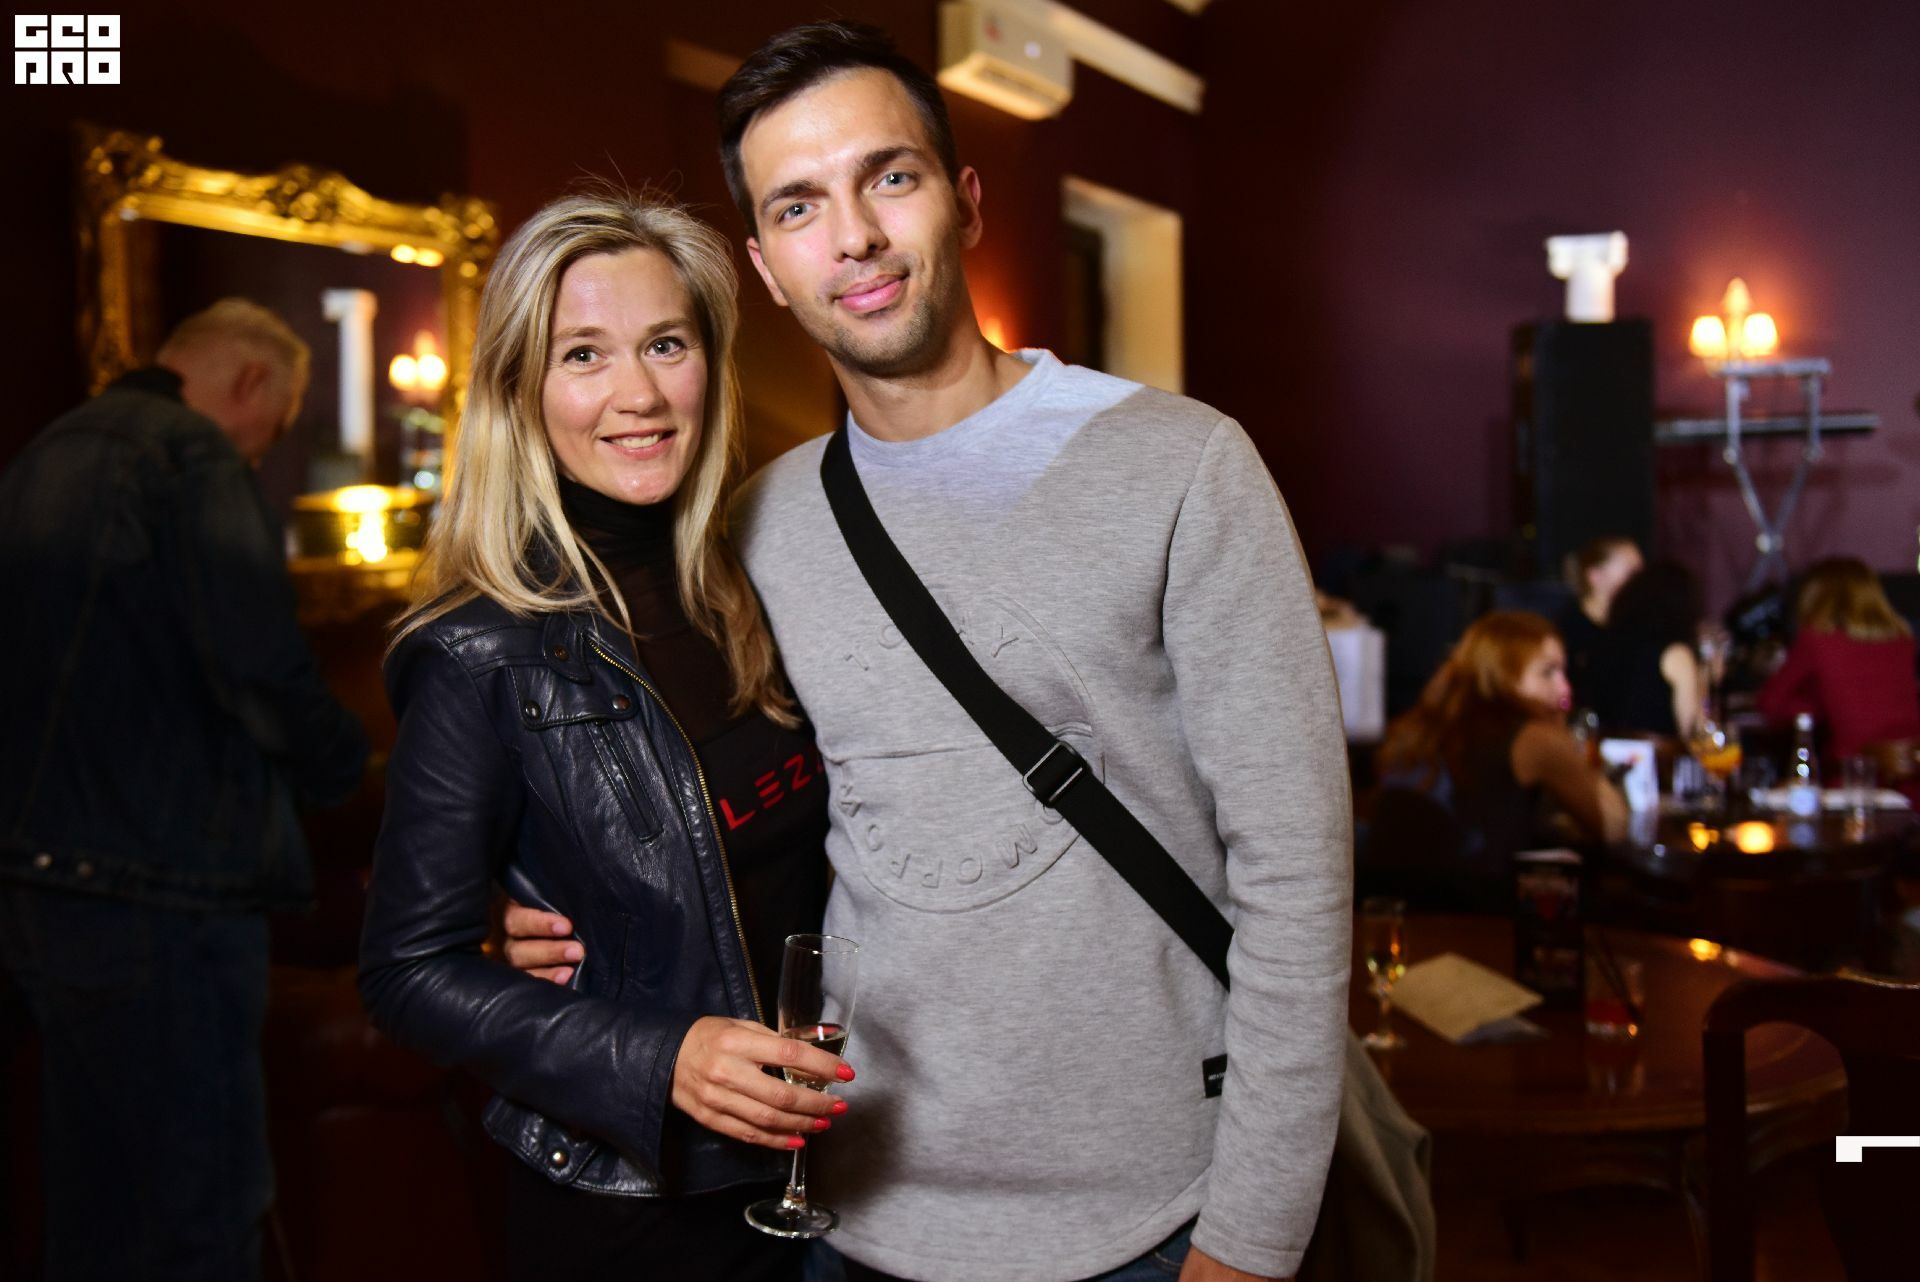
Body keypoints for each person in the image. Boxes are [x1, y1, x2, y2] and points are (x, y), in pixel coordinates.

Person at [509, 23, 1350, 1282]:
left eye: (888, 178)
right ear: (767, 267)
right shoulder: (757, 527)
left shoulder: (1182, 465)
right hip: (850, 1216)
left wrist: (1251, 1241)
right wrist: (537, 912)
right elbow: (721, 810)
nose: (852, 235)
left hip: (1155, 1216)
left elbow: (1298, 878)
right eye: (800, 206)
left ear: (963, 203)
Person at [355, 192, 844, 1282]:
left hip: (820, 1169)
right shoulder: (480, 648)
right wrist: (662, 1055)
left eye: (666, 344)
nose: (640, 394)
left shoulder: (759, 584)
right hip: (633, 1206)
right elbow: (405, 971)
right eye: (584, 354)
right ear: (520, 392)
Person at [0, 299, 369, 1281]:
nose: (261, 453)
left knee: (93, 1215)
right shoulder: (192, 456)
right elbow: (262, 670)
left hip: (38, 889)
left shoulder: (41, 456)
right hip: (164, 891)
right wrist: (358, 771)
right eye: (272, 430)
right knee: (203, 1215)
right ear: (250, 381)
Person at [1368, 612, 1629, 907]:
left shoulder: (1420, 727)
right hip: (1473, 914)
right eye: (1548, 673)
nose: (1565, 689)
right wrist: (1570, 745)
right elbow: (1614, 827)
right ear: (1504, 676)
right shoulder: (1535, 738)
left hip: (1389, 906)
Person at [1757, 557, 1920, 765]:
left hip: (1851, 774)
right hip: (1912, 775)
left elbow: (1770, 705)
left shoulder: (1817, 641)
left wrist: (1815, 705)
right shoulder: (1903, 640)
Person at [1586, 559, 1705, 738]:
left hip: (1603, 752)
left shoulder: (1603, 645)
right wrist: (1703, 680)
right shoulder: (1675, 654)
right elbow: (1693, 731)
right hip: (1658, 754)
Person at [1557, 536, 1641, 706]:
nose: (1641, 583)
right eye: (1631, 574)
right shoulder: (1567, 629)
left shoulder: (1634, 627)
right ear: (1596, 576)